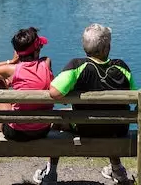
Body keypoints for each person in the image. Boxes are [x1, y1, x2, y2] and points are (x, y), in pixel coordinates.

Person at [35, 24, 135, 185]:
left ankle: (51, 172)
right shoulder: (122, 67)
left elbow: (54, 93)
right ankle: (118, 170)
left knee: (60, 118)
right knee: (110, 115)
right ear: (106, 48)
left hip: (86, 127)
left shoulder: (77, 66)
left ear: (84, 46)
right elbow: (133, 97)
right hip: (118, 129)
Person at [0, 27, 54, 143]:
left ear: (17, 52)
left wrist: (11, 61)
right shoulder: (46, 63)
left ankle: (0, 124)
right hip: (43, 129)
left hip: (16, 132)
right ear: (37, 50)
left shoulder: (12, 70)